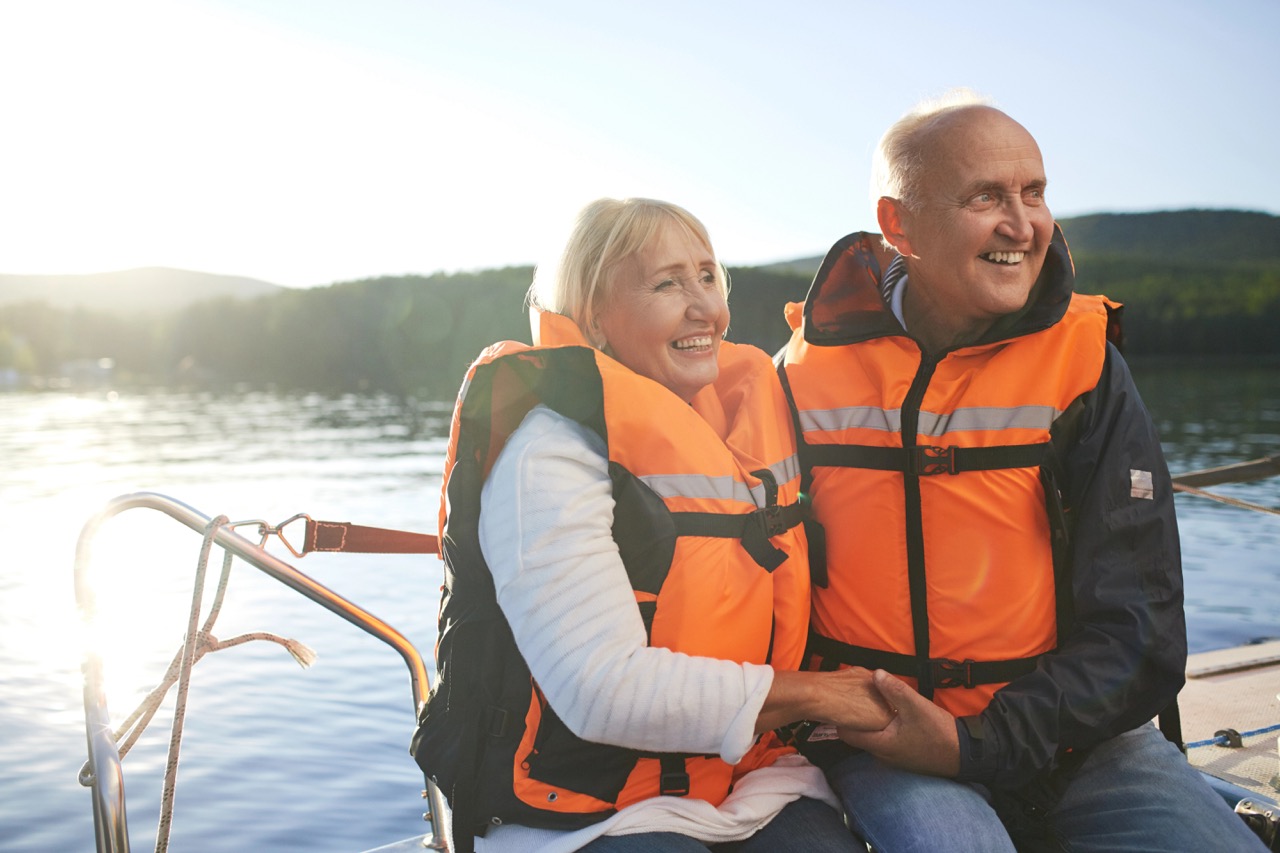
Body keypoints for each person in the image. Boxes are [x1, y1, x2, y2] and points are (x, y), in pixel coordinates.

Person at [779, 91, 1267, 852]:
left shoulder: (1086, 367)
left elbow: (1139, 629)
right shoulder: (799, 377)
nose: (1023, 225)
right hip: (882, 739)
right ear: (898, 223)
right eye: (985, 198)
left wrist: (976, 743)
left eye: (1033, 193)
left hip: (1078, 742)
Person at [412, 197, 893, 853]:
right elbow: (600, 690)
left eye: (708, 277)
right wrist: (821, 696)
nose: (705, 309)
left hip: (746, 781)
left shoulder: (739, 425)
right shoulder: (547, 453)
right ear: (594, 318)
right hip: (587, 810)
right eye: (667, 284)